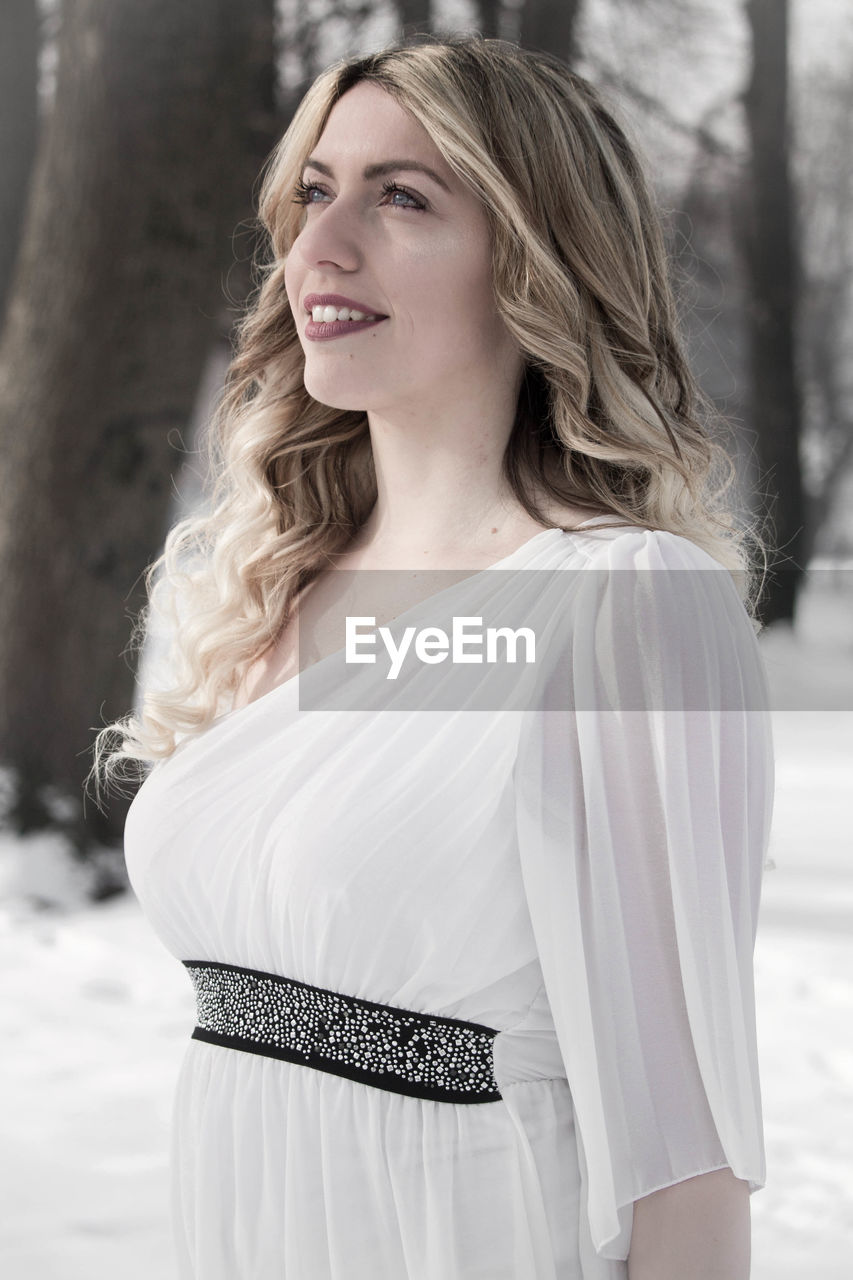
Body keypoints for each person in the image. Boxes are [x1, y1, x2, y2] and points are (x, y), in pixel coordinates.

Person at [93, 32, 775, 1280]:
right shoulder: (277, 582)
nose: (320, 248)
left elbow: (687, 1152)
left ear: (539, 258)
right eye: (314, 191)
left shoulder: (625, 605)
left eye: (402, 197)